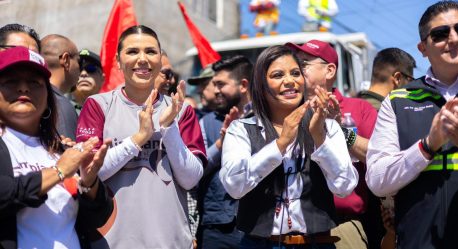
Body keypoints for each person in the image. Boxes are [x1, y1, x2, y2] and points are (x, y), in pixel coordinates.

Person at [76, 25, 207, 249]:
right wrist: (138, 139)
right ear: (118, 60)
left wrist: (168, 127)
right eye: (133, 52)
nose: (143, 59)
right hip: (111, 241)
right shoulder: (98, 105)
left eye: (150, 51)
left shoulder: (181, 110)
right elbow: (88, 172)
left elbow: (191, 179)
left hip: (170, 241)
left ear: (160, 58)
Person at [220, 45, 358, 248]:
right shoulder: (241, 129)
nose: (289, 81)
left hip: (317, 243)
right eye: (277, 75)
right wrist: (280, 144)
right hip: (259, 244)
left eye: (295, 73)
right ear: (261, 85)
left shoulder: (327, 127)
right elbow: (234, 185)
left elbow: (345, 187)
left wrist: (319, 139)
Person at [366, 1, 458, 248]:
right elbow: (377, 180)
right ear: (423, 48)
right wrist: (428, 146)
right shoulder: (398, 100)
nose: (454, 38)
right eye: (440, 34)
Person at [0, 46, 113, 249]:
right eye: (11, 81)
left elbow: (97, 219)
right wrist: (58, 172)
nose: (23, 88)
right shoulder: (63, 162)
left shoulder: (62, 150)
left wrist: (89, 183)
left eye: (34, 83)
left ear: (48, 98)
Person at [286, 40, 380, 249]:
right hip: (292, 229)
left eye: (303, 64)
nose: (295, 70)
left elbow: (379, 156)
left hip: (341, 226)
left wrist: (338, 131)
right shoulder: (286, 112)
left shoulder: (359, 108)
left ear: (329, 70)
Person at [197, 55, 253, 249]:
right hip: (218, 229)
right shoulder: (205, 123)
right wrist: (222, 144)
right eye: (214, 84)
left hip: (259, 227)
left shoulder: (267, 119)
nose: (215, 91)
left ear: (243, 85)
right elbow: (195, 172)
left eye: (221, 85)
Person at [40, 34, 80, 140]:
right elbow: (67, 154)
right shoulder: (59, 104)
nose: (81, 69)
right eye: (79, 61)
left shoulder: (34, 97)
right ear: (66, 60)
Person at [71, 49, 104, 114]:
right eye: (78, 69)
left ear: (102, 78)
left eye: (91, 68)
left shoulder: (112, 111)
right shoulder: (58, 108)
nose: (83, 73)